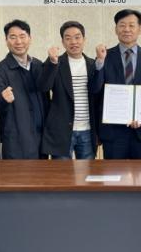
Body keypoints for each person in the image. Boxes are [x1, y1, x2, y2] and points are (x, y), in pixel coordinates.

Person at [92, 9, 141, 159]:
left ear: (139, 29)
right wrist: (100, 61)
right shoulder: (104, 56)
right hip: (112, 131)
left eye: (131, 25)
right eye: (122, 25)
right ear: (116, 29)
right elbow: (96, 89)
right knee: (112, 173)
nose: (127, 29)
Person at [37, 21, 99, 159]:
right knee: (61, 172)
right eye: (68, 38)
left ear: (84, 39)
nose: (73, 42)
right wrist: (52, 62)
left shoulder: (92, 65)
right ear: (63, 42)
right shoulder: (55, 62)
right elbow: (43, 87)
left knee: (87, 171)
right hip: (61, 131)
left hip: (87, 131)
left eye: (77, 37)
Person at [0, 20, 48, 159]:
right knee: (17, 173)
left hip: (41, 138)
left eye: (22, 36)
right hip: (16, 141)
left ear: (30, 38)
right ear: (6, 40)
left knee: (43, 173)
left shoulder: (38, 65)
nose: (18, 41)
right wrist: (3, 99)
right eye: (13, 37)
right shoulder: (0, 70)